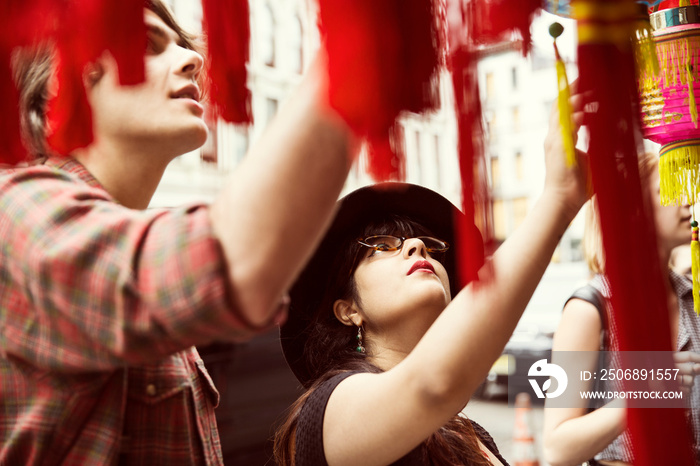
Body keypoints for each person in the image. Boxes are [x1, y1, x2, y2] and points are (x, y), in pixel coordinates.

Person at [0, 1, 355, 464]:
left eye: (184, 45)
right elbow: (235, 261)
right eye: (146, 44)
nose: (194, 59)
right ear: (55, 89)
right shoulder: (15, 209)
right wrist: (355, 44)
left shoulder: (128, 249)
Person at [273, 97, 588, 465]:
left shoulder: (470, 433)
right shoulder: (328, 410)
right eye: (382, 246)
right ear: (348, 310)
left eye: (432, 248)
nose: (417, 246)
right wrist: (559, 199)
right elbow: (434, 386)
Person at [542, 152, 700, 466]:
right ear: (634, 211)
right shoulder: (589, 309)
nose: (688, 201)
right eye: (670, 191)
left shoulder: (692, 299)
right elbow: (557, 448)